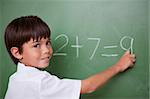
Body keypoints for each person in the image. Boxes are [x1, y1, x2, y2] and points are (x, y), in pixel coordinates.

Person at [4, 16, 136, 99]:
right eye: (37, 45)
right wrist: (119, 66)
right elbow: (88, 87)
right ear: (17, 53)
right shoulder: (38, 81)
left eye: (48, 43)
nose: (46, 50)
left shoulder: (16, 78)